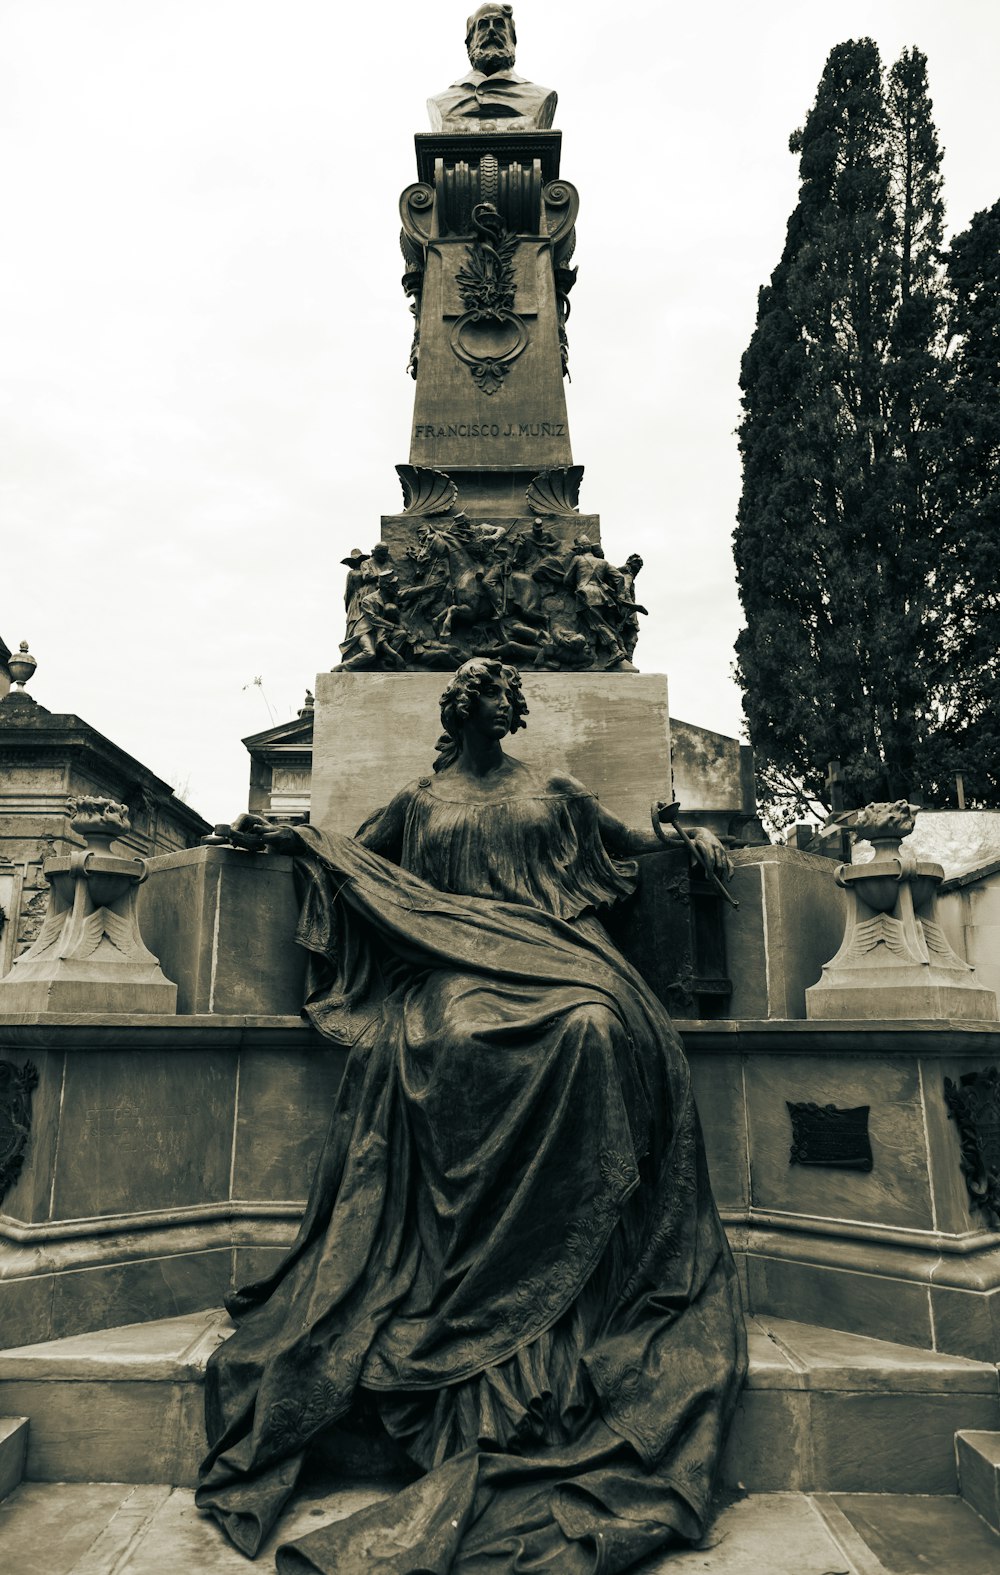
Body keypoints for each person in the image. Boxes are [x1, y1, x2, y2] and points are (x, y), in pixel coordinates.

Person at [196, 658, 746, 1573]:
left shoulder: (556, 788)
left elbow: (627, 851)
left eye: (505, 692)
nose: (502, 701)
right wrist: (292, 841)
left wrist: (687, 841)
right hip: (455, 966)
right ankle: (477, 1275)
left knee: (597, 1027)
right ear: (465, 709)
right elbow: (356, 858)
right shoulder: (419, 798)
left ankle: (575, 1258)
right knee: (444, 1036)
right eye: (487, 693)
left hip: (559, 958)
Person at [428, 4, 558, 132]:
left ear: (512, 39)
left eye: (499, 25)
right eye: (483, 26)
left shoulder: (538, 97)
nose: (491, 30)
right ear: (470, 42)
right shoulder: (442, 102)